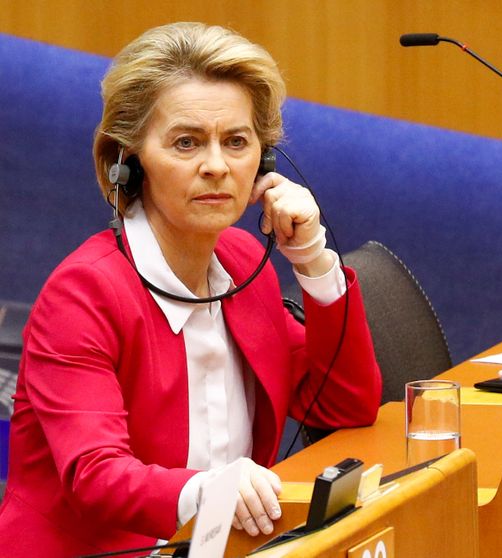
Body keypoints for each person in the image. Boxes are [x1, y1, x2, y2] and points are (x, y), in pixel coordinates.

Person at [0, 22, 381, 556]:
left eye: (237, 142)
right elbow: (96, 474)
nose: (217, 166)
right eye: (187, 142)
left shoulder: (244, 264)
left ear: (266, 162)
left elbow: (343, 405)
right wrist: (209, 492)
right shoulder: (84, 294)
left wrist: (314, 257)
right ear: (128, 160)